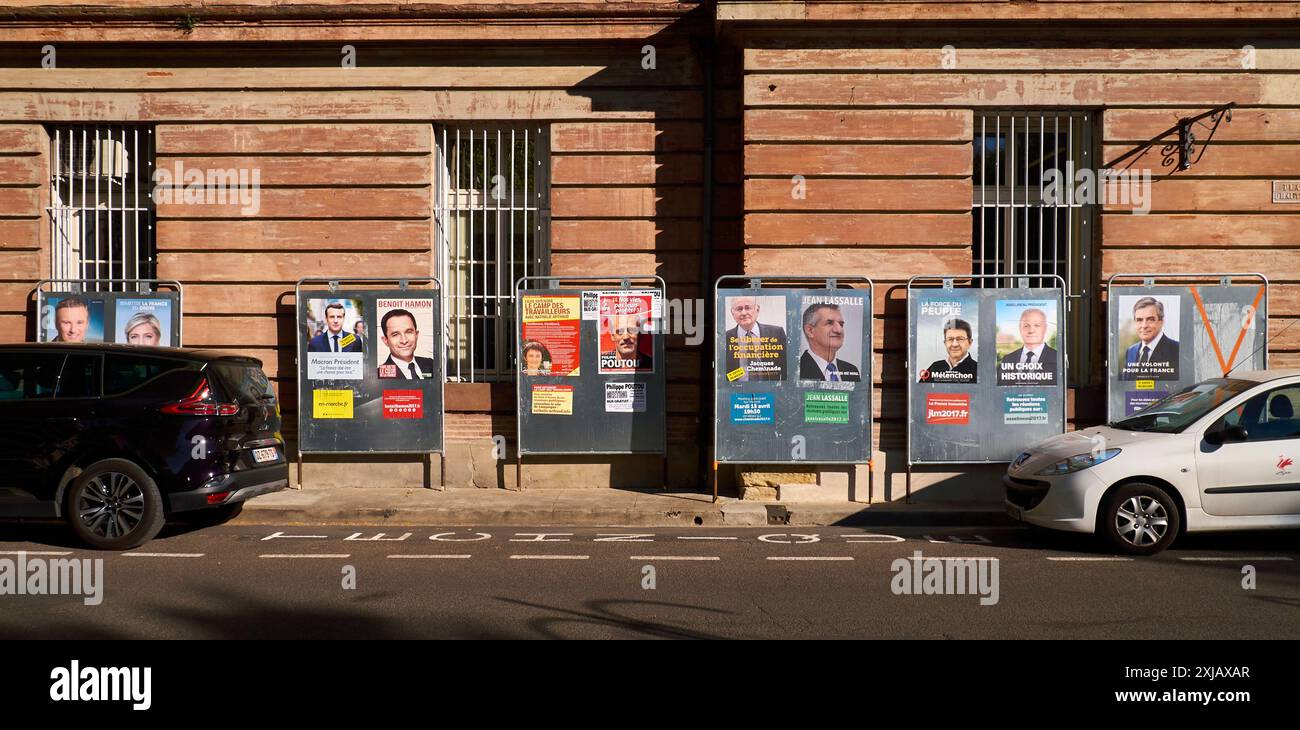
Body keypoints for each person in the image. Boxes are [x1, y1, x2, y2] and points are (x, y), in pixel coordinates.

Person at [724, 296, 787, 381]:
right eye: (739, 309)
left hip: (769, 389)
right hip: (737, 391)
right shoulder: (724, 338)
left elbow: (786, 368)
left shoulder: (777, 333)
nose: (743, 312)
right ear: (732, 313)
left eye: (748, 308)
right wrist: (741, 372)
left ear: (757, 309)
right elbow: (723, 374)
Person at [798, 302, 861, 381]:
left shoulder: (852, 370)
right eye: (829, 323)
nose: (839, 330)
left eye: (841, 324)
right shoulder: (797, 370)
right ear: (810, 331)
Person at [1124, 296, 1179, 376]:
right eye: (1139, 320)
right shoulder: (1131, 351)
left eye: (1150, 319)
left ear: (1161, 321)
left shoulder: (1177, 350)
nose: (1144, 325)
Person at [999, 307, 1058, 378]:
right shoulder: (1008, 359)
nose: (1031, 330)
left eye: (1037, 325)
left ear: (1045, 328)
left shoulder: (1057, 357)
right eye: (1026, 326)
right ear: (1020, 328)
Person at [378, 308, 436, 379]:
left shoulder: (431, 364)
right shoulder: (379, 376)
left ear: (416, 335)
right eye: (395, 334)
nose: (404, 340)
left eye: (409, 332)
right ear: (385, 340)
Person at [920, 318, 977, 382]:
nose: (955, 344)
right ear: (945, 343)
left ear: (970, 342)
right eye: (950, 339)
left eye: (960, 339)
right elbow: (920, 390)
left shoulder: (978, 371)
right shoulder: (935, 367)